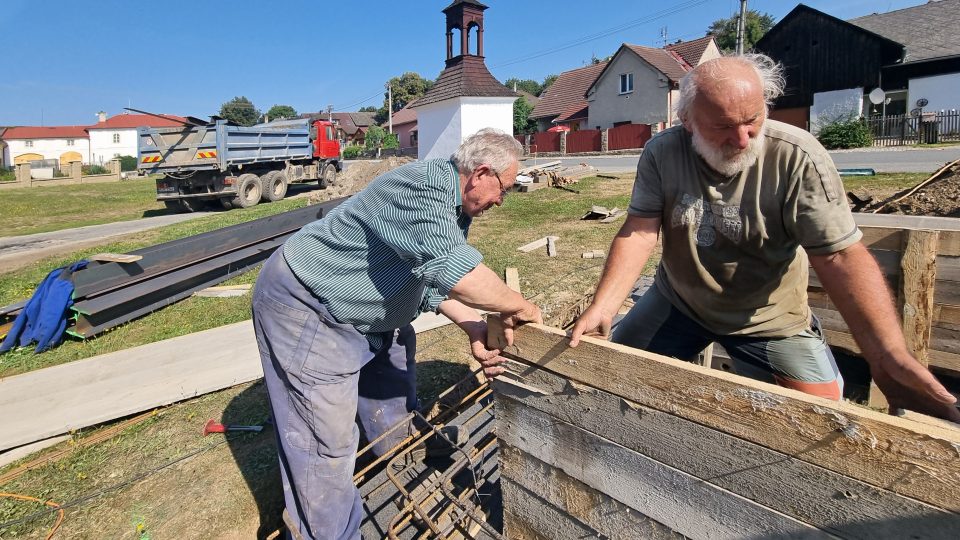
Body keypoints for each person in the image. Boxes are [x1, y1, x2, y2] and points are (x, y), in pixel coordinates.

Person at [569, 54, 960, 423]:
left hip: (769, 317)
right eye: (723, 126)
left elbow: (840, 256)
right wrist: (604, 306)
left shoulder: (797, 156)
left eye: (753, 119)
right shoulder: (662, 152)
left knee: (823, 417)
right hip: (679, 302)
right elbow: (639, 231)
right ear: (687, 121)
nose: (742, 139)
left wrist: (885, 353)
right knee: (608, 379)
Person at [252, 128, 542, 540]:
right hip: (311, 305)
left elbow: (431, 280)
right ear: (480, 173)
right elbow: (458, 273)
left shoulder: (454, 205)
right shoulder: (416, 188)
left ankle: (398, 460)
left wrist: (473, 324)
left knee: (393, 385)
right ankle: (327, 532)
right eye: (504, 190)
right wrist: (523, 307)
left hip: (366, 312)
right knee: (323, 444)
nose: (501, 200)